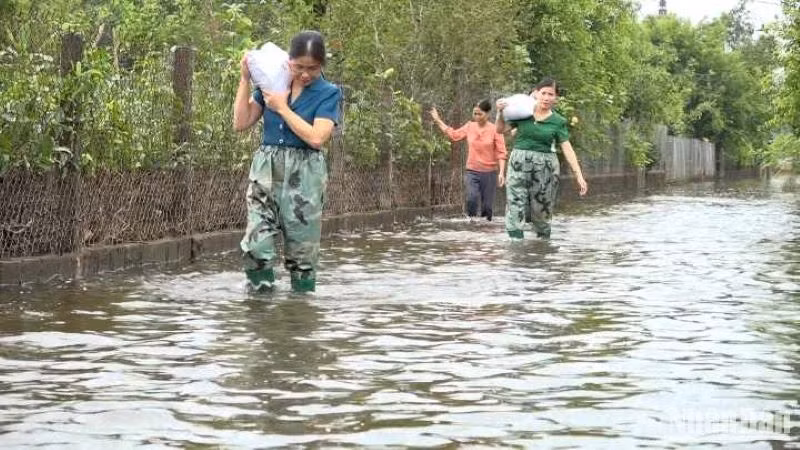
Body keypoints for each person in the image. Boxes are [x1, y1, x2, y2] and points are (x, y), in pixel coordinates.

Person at [233, 30, 342, 293]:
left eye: (312, 68)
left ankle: (299, 317)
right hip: (266, 168)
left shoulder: (328, 93)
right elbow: (241, 123)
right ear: (288, 62)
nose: (305, 74)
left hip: (305, 173)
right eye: (299, 67)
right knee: (256, 246)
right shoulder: (273, 83)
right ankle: (261, 312)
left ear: (322, 65)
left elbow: (317, 138)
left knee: (302, 254)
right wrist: (245, 80)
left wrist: (282, 108)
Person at [496, 77, 588, 239]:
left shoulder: (558, 121)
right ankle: (515, 250)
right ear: (536, 93)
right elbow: (500, 130)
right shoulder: (523, 113)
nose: (546, 97)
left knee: (542, 210)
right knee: (515, 205)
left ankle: (542, 249)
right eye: (543, 93)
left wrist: (579, 175)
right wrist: (499, 113)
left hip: (545, 169)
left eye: (550, 94)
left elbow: (567, 148)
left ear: (555, 98)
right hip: (518, 165)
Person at [430, 100, 507, 221]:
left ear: (487, 114)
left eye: (479, 114)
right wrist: (437, 120)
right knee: (471, 199)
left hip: (490, 173)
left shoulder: (495, 130)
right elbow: (454, 135)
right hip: (472, 171)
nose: (476, 117)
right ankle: (471, 227)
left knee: (487, 208)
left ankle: (485, 234)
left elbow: (501, 153)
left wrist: (501, 173)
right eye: (474, 113)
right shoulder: (469, 126)